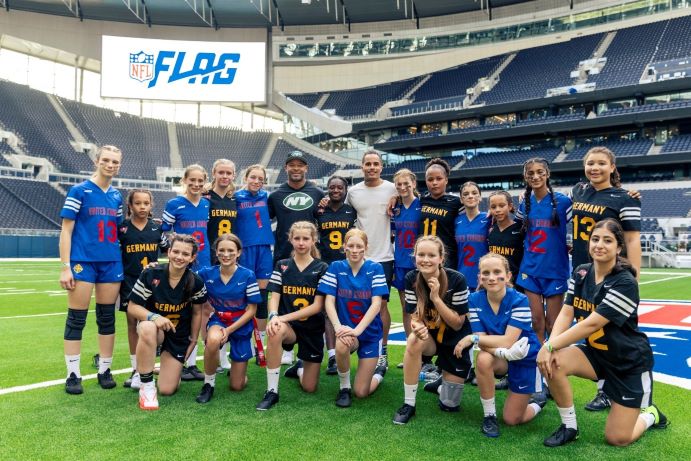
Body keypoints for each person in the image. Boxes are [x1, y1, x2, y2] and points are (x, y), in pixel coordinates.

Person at [536, 219, 668, 447]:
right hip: (597, 355)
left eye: (608, 240)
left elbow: (591, 325)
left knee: (618, 438)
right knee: (553, 361)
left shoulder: (625, 282)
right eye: (595, 239)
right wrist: (551, 346)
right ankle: (569, 427)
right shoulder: (580, 272)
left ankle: (651, 414)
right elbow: (566, 314)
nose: (599, 245)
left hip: (627, 362)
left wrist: (547, 345)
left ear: (618, 247)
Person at [570, 146, 642, 412]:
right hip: (582, 272)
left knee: (613, 334)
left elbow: (633, 239)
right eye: (590, 163)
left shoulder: (625, 198)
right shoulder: (579, 191)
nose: (594, 168)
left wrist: (632, 278)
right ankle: (604, 388)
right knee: (591, 331)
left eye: (601, 163)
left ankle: (618, 389)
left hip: (611, 275)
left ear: (613, 167)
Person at [453, 253, 542, 438]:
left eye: (497, 272)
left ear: (508, 276)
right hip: (502, 356)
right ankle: (489, 415)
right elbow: (483, 338)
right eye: (485, 273)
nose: (491, 277)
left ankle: (537, 403)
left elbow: (509, 340)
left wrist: (472, 339)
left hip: (524, 355)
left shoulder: (520, 299)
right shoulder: (474, 299)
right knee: (483, 359)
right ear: (479, 277)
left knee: (512, 419)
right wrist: (501, 352)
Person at [59, 145, 124, 395]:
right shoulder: (80, 191)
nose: (110, 165)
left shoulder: (117, 196)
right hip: (82, 261)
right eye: (106, 160)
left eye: (115, 162)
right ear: (97, 161)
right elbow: (66, 229)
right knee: (77, 318)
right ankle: (73, 374)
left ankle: (104, 369)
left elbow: (119, 230)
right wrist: (65, 267)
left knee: (106, 317)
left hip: (110, 262)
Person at [392, 236, 471, 425]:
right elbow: (415, 317)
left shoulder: (457, 280)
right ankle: (409, 404)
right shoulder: (412, 278)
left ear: (441, 259)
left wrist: (436, 298)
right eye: (421, 255)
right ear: (415, 257)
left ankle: (442, 382)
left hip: (455, 341)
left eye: (431, 255)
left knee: (449, 405)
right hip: (431, 339)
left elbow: (457, 324)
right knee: (413, 340)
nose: (425, 259)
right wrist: (417, 328)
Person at [127, 234, 207, 410]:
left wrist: (193, 340)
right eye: (176, 251)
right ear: (168, 252)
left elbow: (197, 312)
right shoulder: (151, 274)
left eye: (185, 254)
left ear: (192, 257)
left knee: (167, 389)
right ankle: (146, 386)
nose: (179, 257)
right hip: (156, 331)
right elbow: (132, 307)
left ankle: (156, 368)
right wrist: (154, 317)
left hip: (178, 336)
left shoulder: (195, 282)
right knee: (147, 327)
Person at [256, 221, 329, 410]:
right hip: (289, 328)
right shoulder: (282, 265)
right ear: (290, 239)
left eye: (306, 238)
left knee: (309, 387)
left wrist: (282, 317)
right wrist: (273, 315)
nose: (301, 243)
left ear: (314, 240)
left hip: (312, 329)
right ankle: (272, 390)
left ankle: (300, 368)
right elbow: (274, 296)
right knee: (275, 330)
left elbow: (317, 306)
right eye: (297, 238)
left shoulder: (322, 268)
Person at [516, 158, 571, 405]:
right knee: (536, 322)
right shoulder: (523, 204)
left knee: (553, 325)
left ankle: (552, 374)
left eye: (540, 172)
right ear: (525, 176)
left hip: (555, 270)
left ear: (548, 173)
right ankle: (539, 376)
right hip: (530, 270)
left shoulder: (564, 202)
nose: (535, 176)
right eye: (531, 173)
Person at [318, 229, 389, 408]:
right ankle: (344, 387)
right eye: (351, 246)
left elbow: (376, 305)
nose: (355, 250)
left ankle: (379, 373)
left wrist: (357, 330)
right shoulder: (336, 267)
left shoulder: (375, 268)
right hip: (348, 331)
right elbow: (329, 302)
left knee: (362, 392)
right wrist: (338, 328)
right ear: (344, 247)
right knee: (341, 344)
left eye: (359, 246)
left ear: (366, 247)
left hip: (370, 333)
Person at [267, 151, 323, 367]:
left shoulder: (318, 193)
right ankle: (287, 347)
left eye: (300, 165)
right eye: (292, 165)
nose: (296, 168)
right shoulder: (275, 195)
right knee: (284, 300)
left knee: (309, 299)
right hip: (283, 255)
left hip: (310, 257)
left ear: (306, 168)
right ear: (286, 168)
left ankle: (308, 347)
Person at [345, 150, 397, 370]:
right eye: (368, 164)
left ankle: (382, 350)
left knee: (382, 305)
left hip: (384, 257)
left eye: (376, 164)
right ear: (362, 166)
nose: (372, 167)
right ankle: (353, 343)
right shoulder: (353, 192)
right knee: (357, 302)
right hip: (360, 257)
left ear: (381, 167)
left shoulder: (392, 189)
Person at [195, 234, 261, 403]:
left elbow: (252, 310)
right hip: (218, 320)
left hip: (241, 324)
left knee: (237, 386)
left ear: (238, 253)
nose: (226, 254)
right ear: (216, 252)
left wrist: (230, 330)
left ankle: (238, 371)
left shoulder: (247, 275)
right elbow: (182, 277)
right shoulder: (205, 273)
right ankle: (208, 384)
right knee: (213, 340)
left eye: (231, 250)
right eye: (222, 250)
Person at [161, 164, 211, 380]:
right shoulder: (174, 204)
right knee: (183, 312)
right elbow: (163, 234)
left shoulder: (207, 204)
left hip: (204, 262)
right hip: (183, 264)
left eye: (201, 181)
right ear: (185, 180)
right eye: (193, 180)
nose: (197, 184)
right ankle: (177, 358)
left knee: (201, 311)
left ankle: (192, 362)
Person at [118, 189, 169, 390]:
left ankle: (149, 364)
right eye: (137, 203)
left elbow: (168, 250)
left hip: (152, 284)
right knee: (132, 325)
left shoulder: (156, 228)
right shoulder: (121, 229)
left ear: (151, 205)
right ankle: (136, 369)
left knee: (150, 325)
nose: (142, 207)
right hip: (129, 282)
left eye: (145, 203)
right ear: (130, 205)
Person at [314, 175, 356, 375]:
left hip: (347, 266)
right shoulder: (319, 209)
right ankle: (332, 355)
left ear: (346, 190)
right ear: (327, 188)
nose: (336, 190)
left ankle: (350, 346)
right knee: (327, 312)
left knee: (347, 308)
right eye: (332, 187)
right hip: (325, 266)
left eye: (340, 187)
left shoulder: (352, 211)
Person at [234, 164, 275, 358]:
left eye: (260, 179)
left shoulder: (266, 197)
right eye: (253, 177)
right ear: (245, 178)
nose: (257, 181)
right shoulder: (236, 198)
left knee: (261, 294)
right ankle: (243, 336)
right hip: (244, 250)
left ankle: (261, 342)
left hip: (264, 248)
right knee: (243, 294)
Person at [205, 158, 238, 371]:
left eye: (229, 173)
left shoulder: (235, 199)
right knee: (208, 309)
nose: (225, 176)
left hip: (229, 258)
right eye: (221, 172)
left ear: (233, 176)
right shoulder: (206, 199)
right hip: (209, 257)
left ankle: (224, 355)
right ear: (214, 174)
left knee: (228, 306)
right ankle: (209, 351)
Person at [391, 168, 421, 347]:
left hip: (419, 264)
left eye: (406, 184)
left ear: (414, 184)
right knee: (406, 307)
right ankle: (410, 346)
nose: (403, 187)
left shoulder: (423, 204)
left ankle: (424, 351)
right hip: (400, 262)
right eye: (399, 184)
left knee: (423, 307)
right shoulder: (395, 208)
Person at [419, 158, 462, 269]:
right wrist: (395, 198)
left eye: (439, 179)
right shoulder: (420, 200)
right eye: (430, 179)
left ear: (446, 180)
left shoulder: (456, 202)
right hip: (424, 256)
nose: (434, 183)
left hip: (446, 257)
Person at [454, 181, 491, 291]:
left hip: (484, 278)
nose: (470, 196)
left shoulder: (489, 219)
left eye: (474, 193)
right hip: (461, 277)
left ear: (480, 197)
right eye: (465, 194)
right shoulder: (455, 221)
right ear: (461, 199)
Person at [487, 191, 524, 285]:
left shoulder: (521, 228)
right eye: (493, 207)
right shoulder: (489, 229)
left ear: (510, 206)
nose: (497, 210)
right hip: (495, 282)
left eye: (502, 205)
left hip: (517, 283)